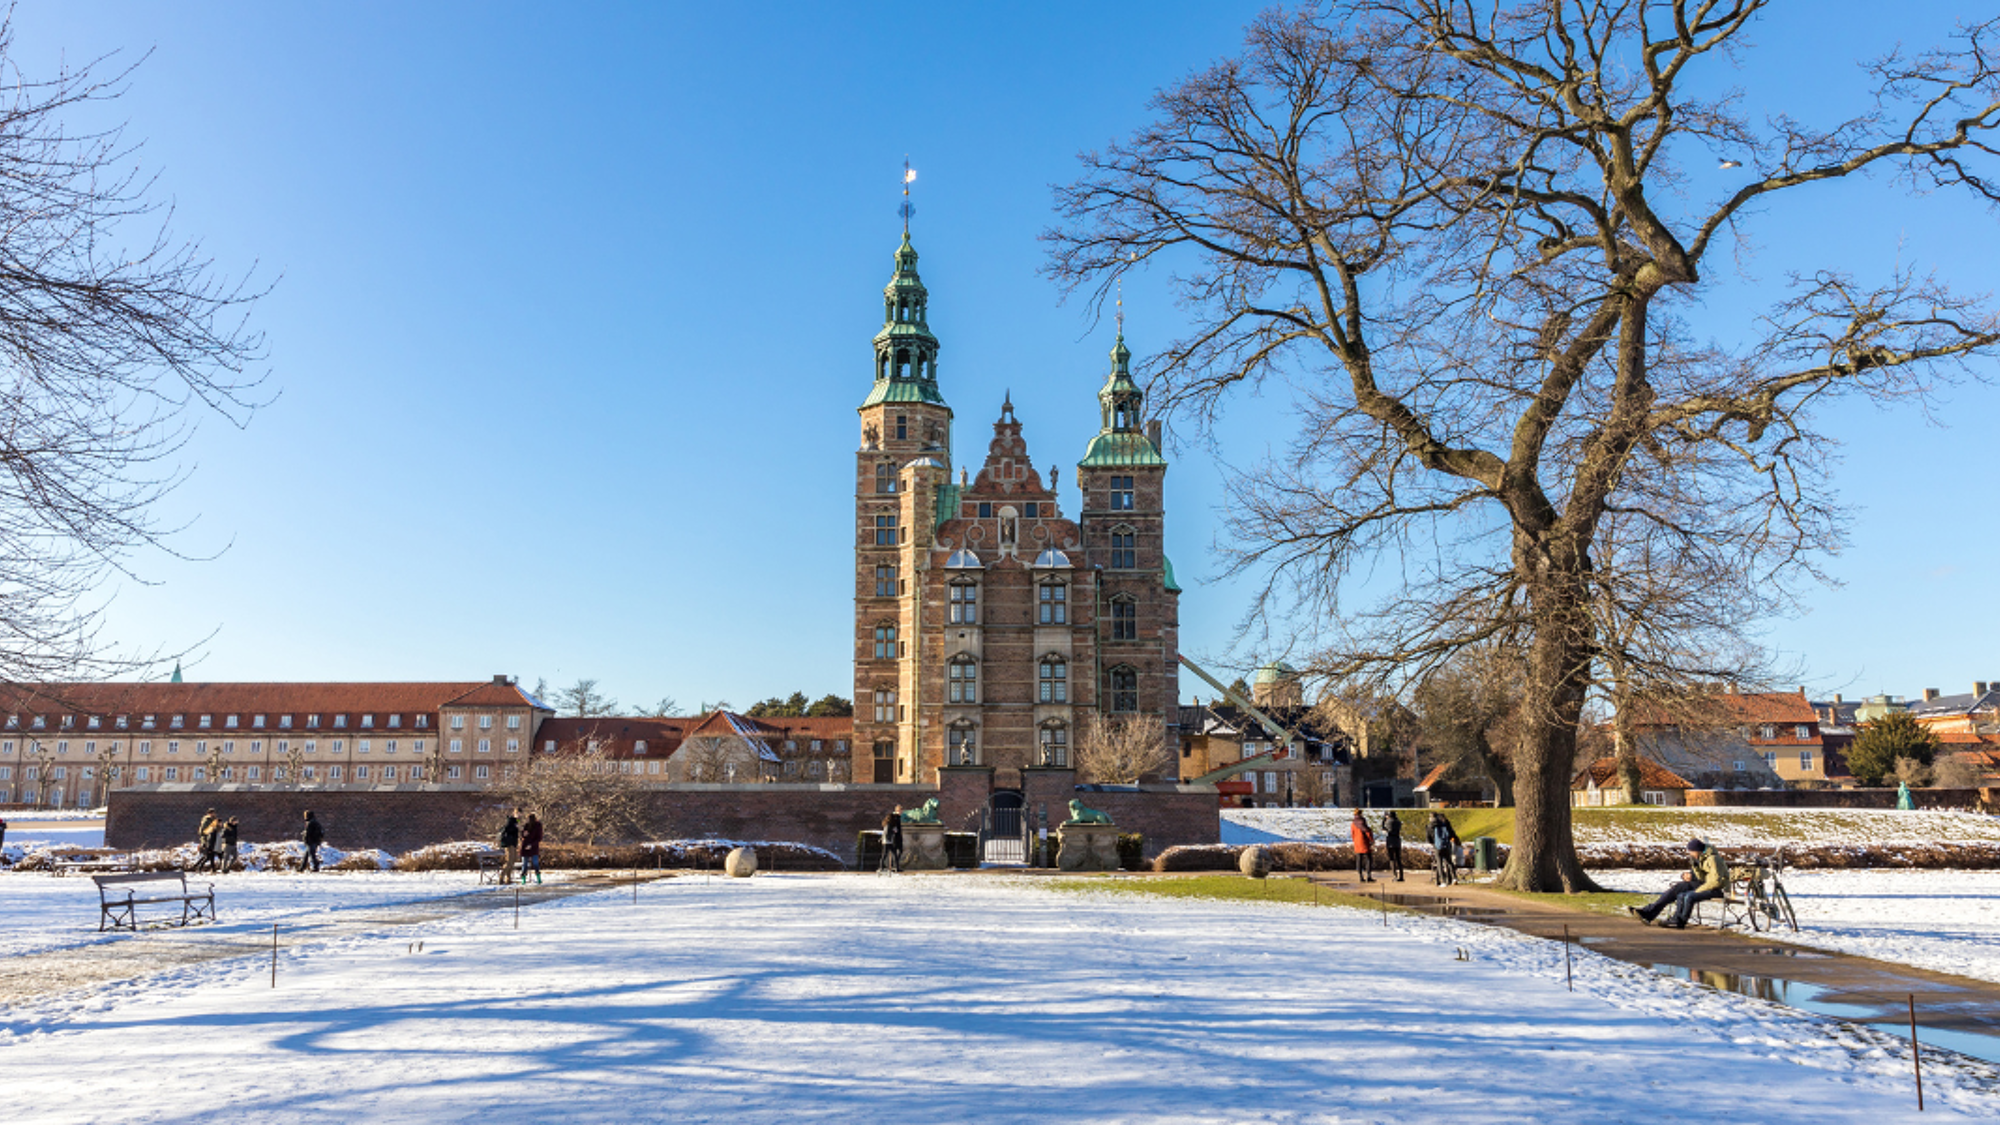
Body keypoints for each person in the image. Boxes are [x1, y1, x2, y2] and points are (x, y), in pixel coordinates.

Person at [1629, 838, 1731, 929]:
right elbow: (1700, 876)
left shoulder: (1712, 858)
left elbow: (1715, 880)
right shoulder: (1700, 858)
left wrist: (1697, 890)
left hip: (1713, 887)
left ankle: (1676, 920)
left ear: (1697, 850)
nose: (1690, 854)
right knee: (1676, 889)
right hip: (1703, 883)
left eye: (1691, 851)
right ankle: (1648, 913)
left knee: (1685, 895)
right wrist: (1688, 873)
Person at [1428, 813, 1461, 886]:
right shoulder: (1445, 824)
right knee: (1449, 862)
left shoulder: (1430, 826)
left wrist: (1433, 843)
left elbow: (1428, 838)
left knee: (1439, 863)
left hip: (1437, 846)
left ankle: (1441, 880)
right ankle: (1453, 878)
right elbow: (1451, 834)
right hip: (1446, 845)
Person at [1350, 808, 1375, 882]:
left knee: (1359, 860)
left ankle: (1361, 876)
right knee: (1368, 859)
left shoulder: (1353, 823)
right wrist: (1372, 840)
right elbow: (1367, 832)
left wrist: (1354, 841)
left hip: (1357, 843)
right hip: (1364, 843)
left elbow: (1353, 834)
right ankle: (1368, 876)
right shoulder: (1362, 821)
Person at [497, 810, 521, 885]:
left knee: (513, 861)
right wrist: (515, 827)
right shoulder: (511, 821)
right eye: (517, 813)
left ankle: (508, 878)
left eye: (520, 814)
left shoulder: (516, 821)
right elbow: (508, 829)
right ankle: (501, 877)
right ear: (514, 813)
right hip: (509, 844)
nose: (519, 815)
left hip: (513, 844)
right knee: (509, 861)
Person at [519, 812, 543, 885]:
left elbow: (539, 838)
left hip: (533, 847)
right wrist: (523, 834)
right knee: (525, 864)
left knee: (535, 863)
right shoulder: (526, 825)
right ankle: (523, 879)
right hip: (525, 846)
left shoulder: (538, 826)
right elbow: (523, 835)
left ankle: (538, 878)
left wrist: (531, 845)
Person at [1381, 811, 1405, 882]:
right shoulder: (1398, 822)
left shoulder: (1388, 822)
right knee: (1398, 859)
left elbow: (1384, 830)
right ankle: (1401, 876)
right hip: (1397, 840)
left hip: (1390, 841)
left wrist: (1384, 821)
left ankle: (1395, 875)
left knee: (1392, 859)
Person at [880, 806, 904, 874]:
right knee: (886, 854)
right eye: (900, 810)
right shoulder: (890, 822)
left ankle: (895, 867)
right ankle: (884, 867)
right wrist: (894, 832)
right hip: (889, 841)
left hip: (889, 841)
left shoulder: (890, 822)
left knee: (892, 854)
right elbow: (889, 831)